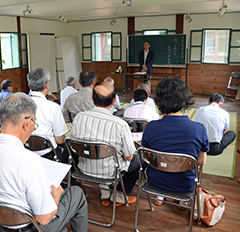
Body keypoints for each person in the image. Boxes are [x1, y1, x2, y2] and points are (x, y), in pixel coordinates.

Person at [0, 92, 88, 232]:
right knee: (76, 193)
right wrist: (56, 196)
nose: (34, 127)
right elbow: (44, 218)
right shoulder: (30, 161)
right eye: (35, 123)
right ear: (26, 123)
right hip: (29, 227)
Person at [141, 78, 208, 206]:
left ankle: (160, 197)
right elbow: (201, 162)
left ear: (159, 101)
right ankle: (182, 202)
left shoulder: (151, 127)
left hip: (155, 183)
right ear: (185, 99)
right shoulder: (199, 129)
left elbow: (147, 156)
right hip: (184, 185)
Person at [70, 81, 139, 206]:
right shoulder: (120, 124)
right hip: (111, 172)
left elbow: (74, 146)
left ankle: (105, 194)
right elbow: (128, 157)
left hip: (84, 168)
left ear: (92, 97)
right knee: (137, 161)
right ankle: (118, 195)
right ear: (114, 101)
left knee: (98, 153)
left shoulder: (79, 118)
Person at [27, 68, 68, 162]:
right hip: (48, 154)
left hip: (26, 151)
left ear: (29, 85)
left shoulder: (20, 104)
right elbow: (60, 140)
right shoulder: (53, 107)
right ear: (47, 85)